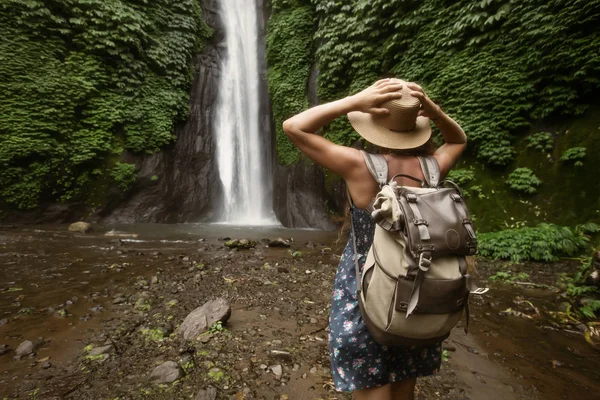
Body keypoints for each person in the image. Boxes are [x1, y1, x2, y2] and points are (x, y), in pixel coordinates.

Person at [282, 78, 468, 400]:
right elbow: (458, 140)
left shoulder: (359, 166)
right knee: (404, 379)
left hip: (367, 284)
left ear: (374, 126)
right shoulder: (434, 168)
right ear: (416, 127)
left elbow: (294, 127)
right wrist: (436, 112)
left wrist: (354, 101)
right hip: (420, 284)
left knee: (371, 384)